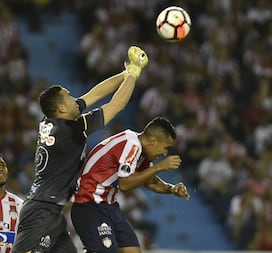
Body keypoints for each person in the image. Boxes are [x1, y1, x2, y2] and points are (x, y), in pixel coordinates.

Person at [11, 45, 148, 253]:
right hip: (42, 211)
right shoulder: (70, 129)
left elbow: (94, 94)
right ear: (62, 108)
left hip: (52, 210)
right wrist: (135, 73)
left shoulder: (54, 122)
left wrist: (125, 73)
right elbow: (116, 105)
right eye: (69, 96)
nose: (75, 99)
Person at [71, 116, 190, 253]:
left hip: (109, 206)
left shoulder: (141, 151)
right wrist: (159, 167)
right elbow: (124, 184)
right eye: (165, 147)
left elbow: (150, 182)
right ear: (153, 141)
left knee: (133, 251)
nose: (164, 153)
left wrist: (172, 189)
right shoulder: (131, 144)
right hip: (89, 204)